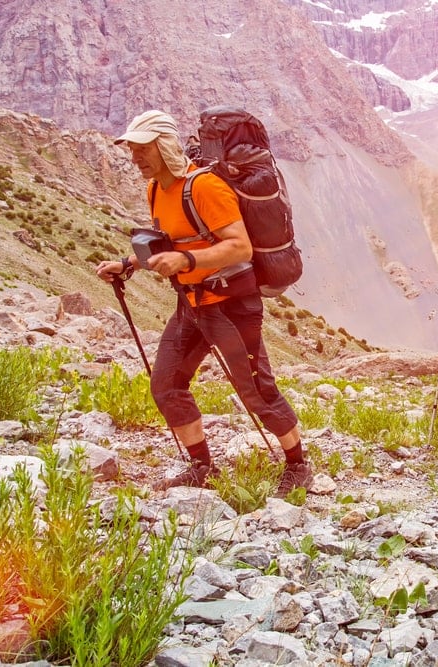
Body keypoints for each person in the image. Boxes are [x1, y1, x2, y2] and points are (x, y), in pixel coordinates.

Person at [96, 109, 311, 495]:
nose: (136, 157)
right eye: (132, 149)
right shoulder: (156, 190)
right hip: (191, 304)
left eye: (143, 148)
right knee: (166, 385)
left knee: (257, 391)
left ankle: (298, 465)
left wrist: (187, 261)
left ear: (164, 146)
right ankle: (201, 466)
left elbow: (239, 245)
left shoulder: (205, 188)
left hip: (232, 305)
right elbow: (174, 241)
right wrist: (128, 264)